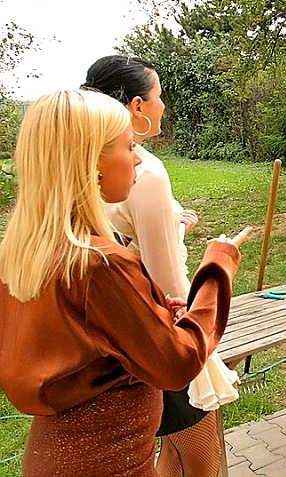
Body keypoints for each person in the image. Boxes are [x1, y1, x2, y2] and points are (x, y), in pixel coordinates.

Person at [0, 89, 247, 476]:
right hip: (109, 462)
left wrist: (147, 314)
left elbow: (77, 343)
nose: (135, 158)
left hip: (54, 455)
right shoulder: (100, 265)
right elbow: (177, 364)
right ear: (90, 164)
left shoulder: (24, 255)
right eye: (128, 146)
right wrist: (217, 268)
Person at [82, 54, 235, 476]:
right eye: (158, 96)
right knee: (204, 458)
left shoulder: (87, 164)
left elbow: (119, 242)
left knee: (172, 448)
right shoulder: (145, 172)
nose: (163, 106)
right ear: (135, 107)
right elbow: (166, 278)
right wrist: (217, 267)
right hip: (165, 328)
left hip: (123, 336)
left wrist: (172, 224)